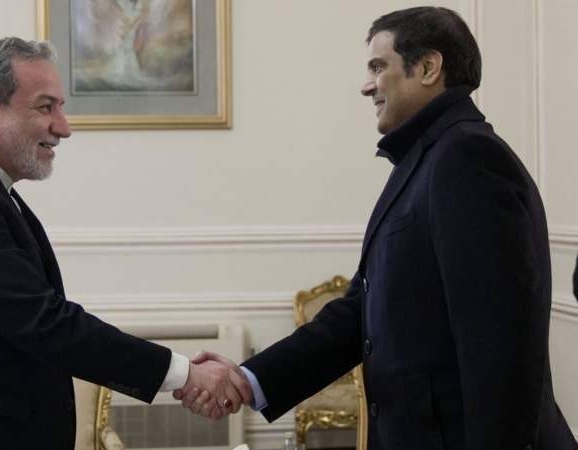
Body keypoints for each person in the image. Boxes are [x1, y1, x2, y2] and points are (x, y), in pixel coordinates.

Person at [177, 7, 578, 449]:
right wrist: (249, 378)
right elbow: (360, 313)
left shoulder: (468, 158)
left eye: (377, 67)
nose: (366, 85)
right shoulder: (427, 161)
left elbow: (500, 349)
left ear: (428, 67)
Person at [0, 37, 249, 450]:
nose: (64, 128)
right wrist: (185, 374)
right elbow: (43, 322)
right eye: (45, 107)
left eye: (61, 107)